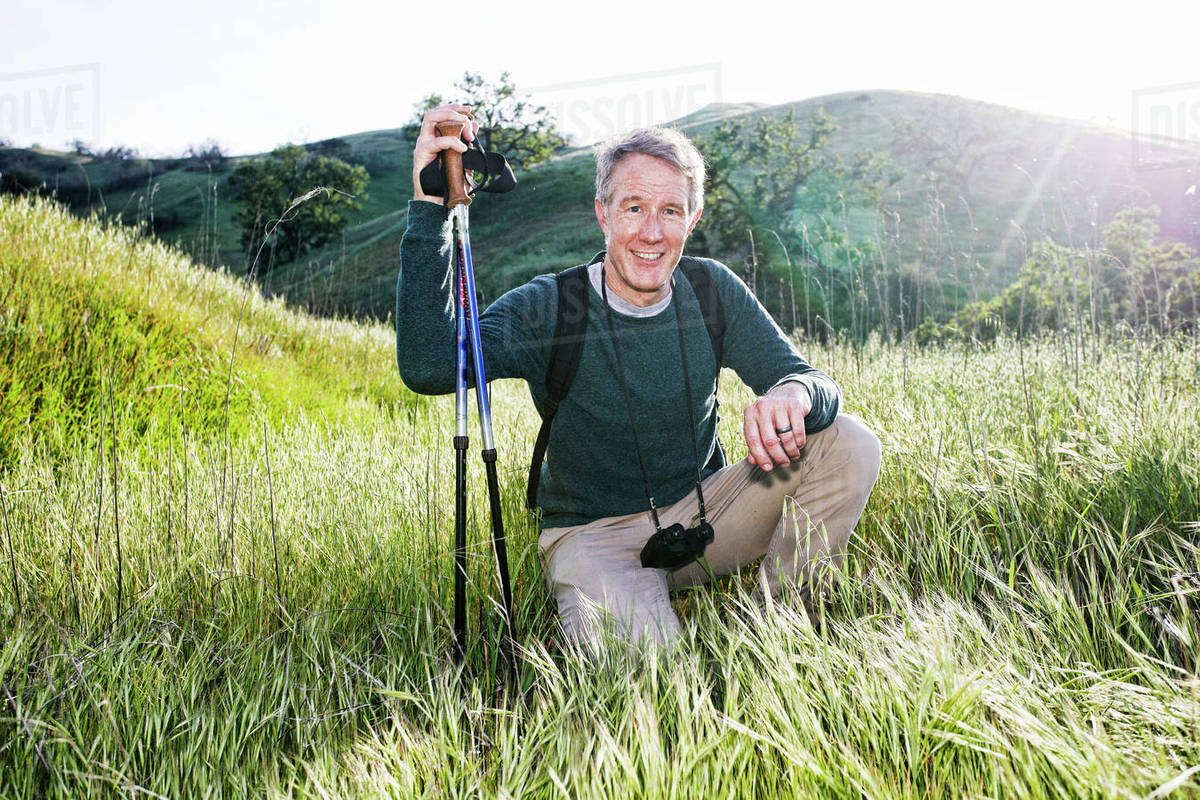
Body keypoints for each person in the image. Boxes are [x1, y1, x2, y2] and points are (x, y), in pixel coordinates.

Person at [397, 104, 881, 647]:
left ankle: (781, 632)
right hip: (593, 536)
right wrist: (429, 208)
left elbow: (809, 379)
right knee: (652, 687)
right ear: (603, 214)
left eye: (671, 211)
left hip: (705, 515)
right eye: (633, 208)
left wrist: (793, 393)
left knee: (848, 442)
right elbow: (431, 366)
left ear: (692, 220)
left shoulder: (711, 290)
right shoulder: (549, 306)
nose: (651, 233)